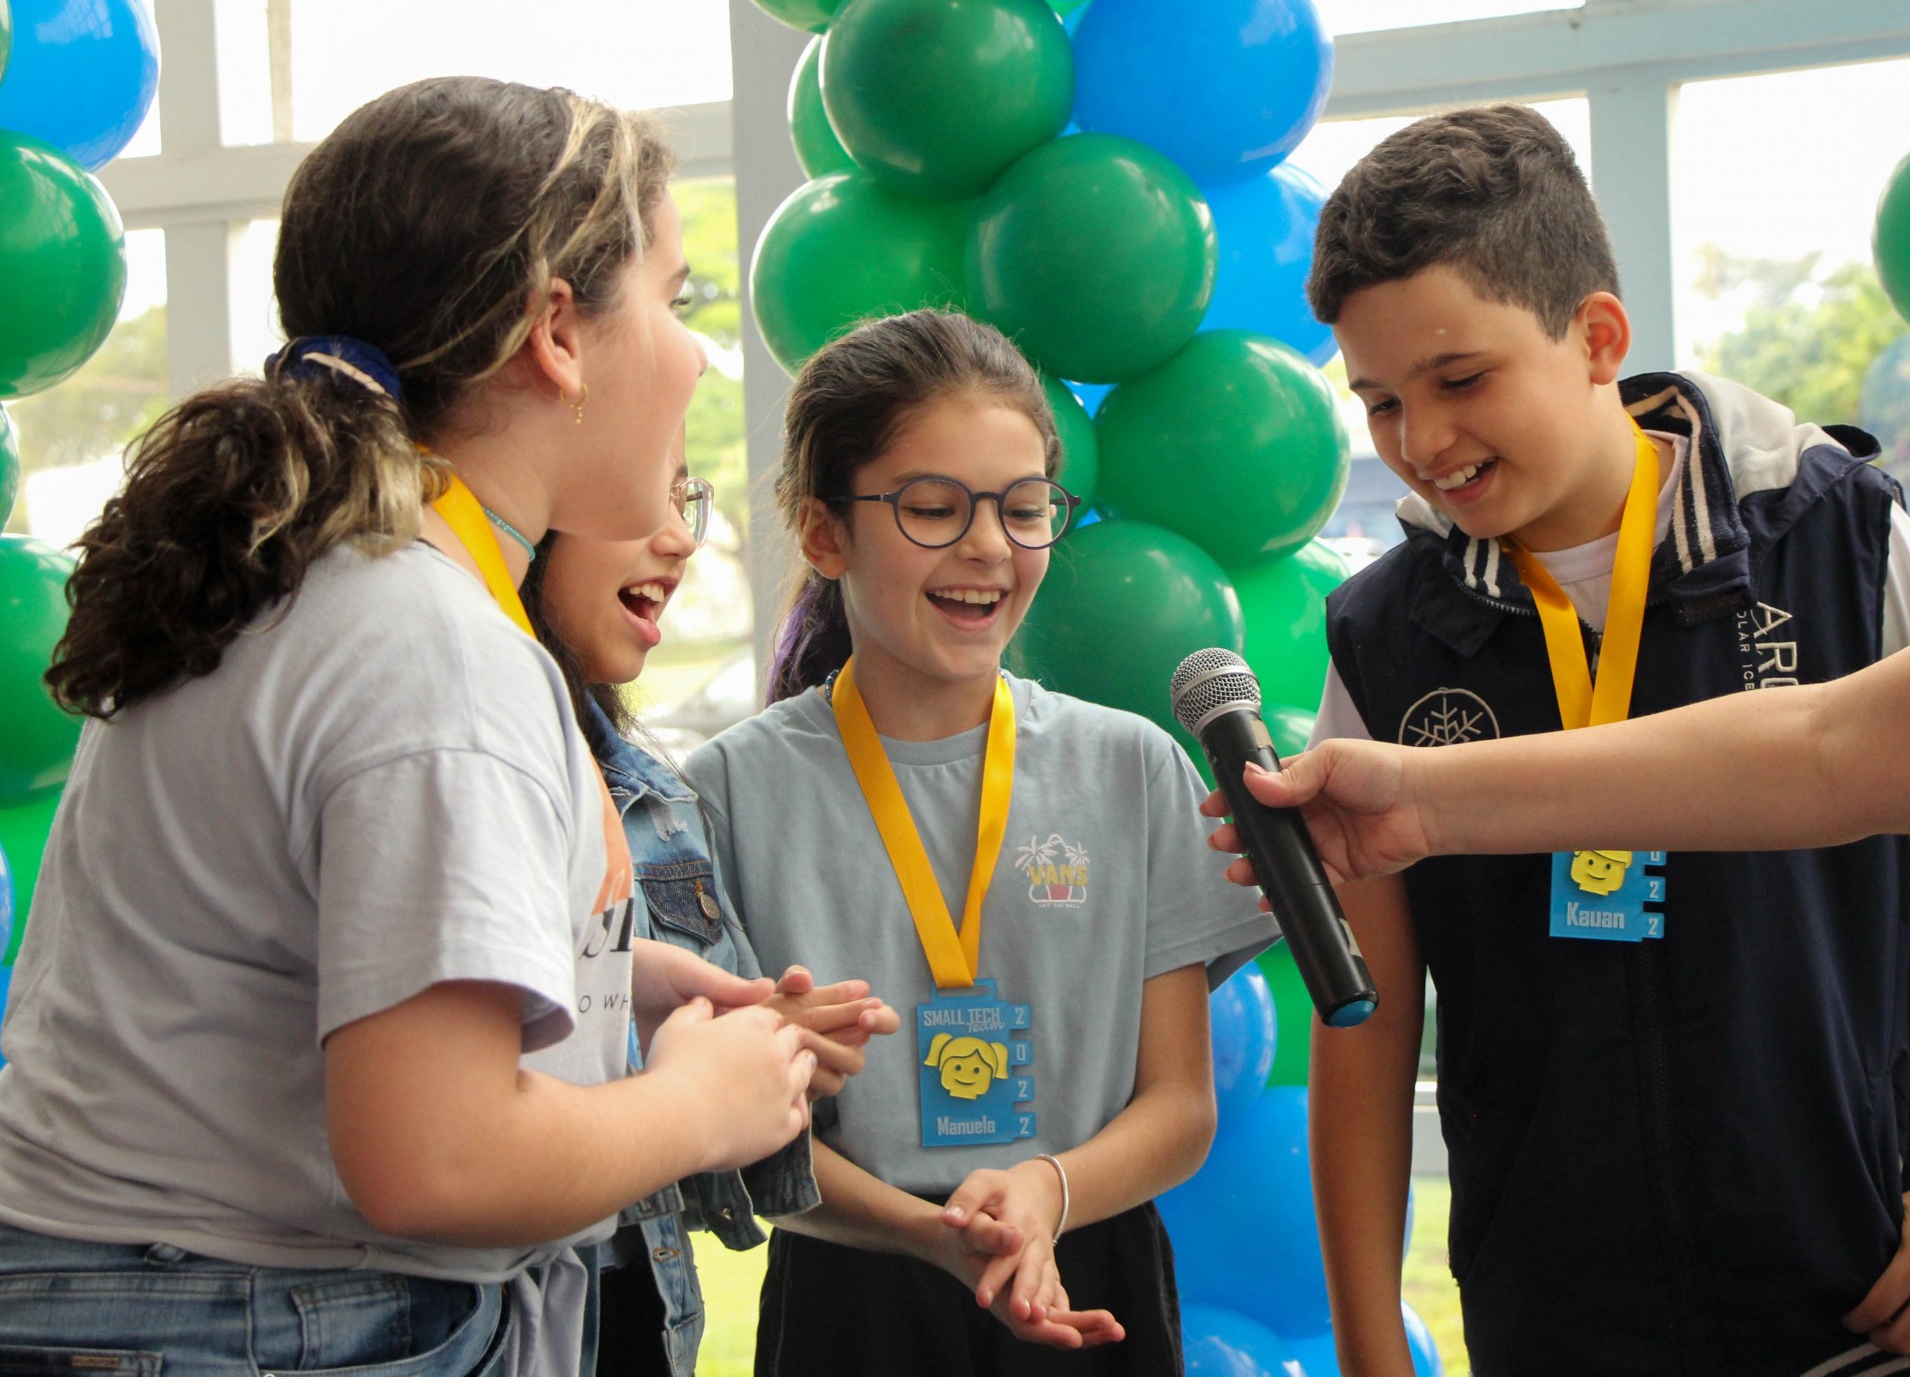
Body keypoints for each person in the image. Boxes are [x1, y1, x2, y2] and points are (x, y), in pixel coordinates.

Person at [0, 77, 818, 1377]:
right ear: (558, 331)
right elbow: (437, 1160)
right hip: (258, 1316)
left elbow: (263, 948)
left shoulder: (290, 578)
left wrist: (598, 971)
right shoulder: (426, 643)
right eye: (675, 301)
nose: (694, 357)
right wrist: (699, 1104)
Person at [1268, 104, 1910, 1377]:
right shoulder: (1387, 637)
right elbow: (1365, 1016)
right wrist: (1372, 1343)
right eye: (1377, 403)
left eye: (1460, 380)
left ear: (1597, 338)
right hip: (1565, 1329)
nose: (1420, 443)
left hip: (1880, 1308)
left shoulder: (1828, 534)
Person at [679, 309, 1278, 1375]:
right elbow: (733, 1131)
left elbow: (1181, 1105)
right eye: (932, 508)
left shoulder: (1132, 767)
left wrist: (1047, 1191)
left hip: (1090, 1270)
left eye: (1024, 508)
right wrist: (929, 1233)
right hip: (854, 1291)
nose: (990, 547)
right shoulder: (727, 791)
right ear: (824, 534)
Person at [520, 461, 904, 1377]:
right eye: (643, 490)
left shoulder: (652, 793)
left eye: (685, 497)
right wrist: (694, 1095)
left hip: (627, 1304)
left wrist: (752, 1052)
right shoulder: (454, 744)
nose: (680, 539)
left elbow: (655, 1132)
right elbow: (437, 1139)